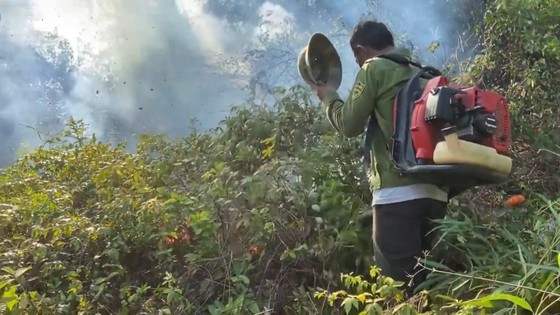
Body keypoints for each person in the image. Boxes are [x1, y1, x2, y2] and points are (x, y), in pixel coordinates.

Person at [307, 20, 449, 295]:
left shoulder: (374, 68)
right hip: (436, 194)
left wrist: (328, 98)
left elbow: (349, 125)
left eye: (357, 59)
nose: (359, 64)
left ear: (361, 51)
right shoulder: (421, 74)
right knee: (430, 286)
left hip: (397, 195)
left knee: (399, 290)